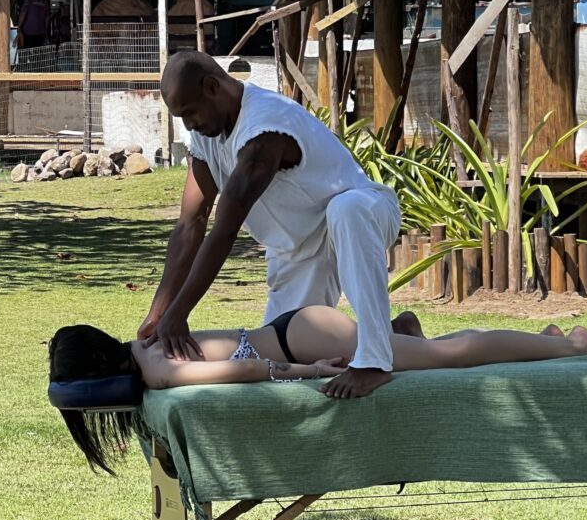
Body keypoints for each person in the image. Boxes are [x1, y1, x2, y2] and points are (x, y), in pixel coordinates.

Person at [49, 308, 587, 474]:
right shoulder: (147, 342)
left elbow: (248, 372)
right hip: (294, 329)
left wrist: (309, 373)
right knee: (430, 352)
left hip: (302, 342)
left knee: (452, 358)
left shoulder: (158, 373)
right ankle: (403, 332)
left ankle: (574, 346)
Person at [139, 50, 402, 400]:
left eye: (189, 112)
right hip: (296, 251)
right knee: (284, 357)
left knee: (346, 208)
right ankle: (403, 333)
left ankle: (374, 363)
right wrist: (159, 313)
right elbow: (191, 224)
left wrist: (180, 312)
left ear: (212, 87)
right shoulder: (205, 137)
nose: (188, 125)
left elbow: (225, 226)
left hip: (362, 213)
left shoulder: (265, 126)